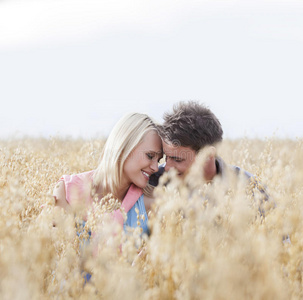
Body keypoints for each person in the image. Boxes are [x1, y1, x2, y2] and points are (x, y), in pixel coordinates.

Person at [53, 113, 162, 235]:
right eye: (150, 156)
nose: (156, 168)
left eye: (158, 160)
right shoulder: (65, 190)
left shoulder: (151, 204)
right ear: (125, 146)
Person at [149, 101, 270, 206]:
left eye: (177, 159)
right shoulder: (153, 181)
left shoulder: (251, 189)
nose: (167, 167)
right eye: (166, 157)